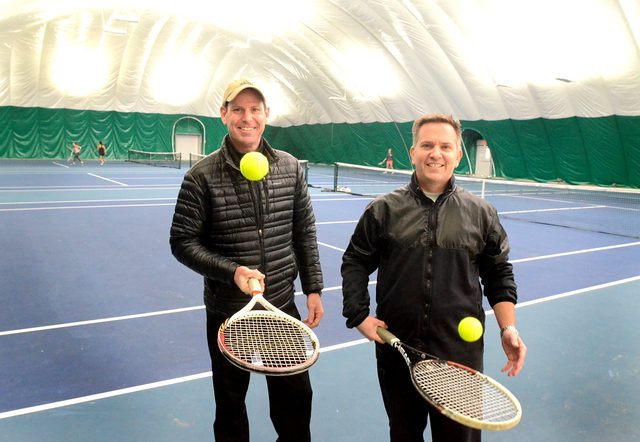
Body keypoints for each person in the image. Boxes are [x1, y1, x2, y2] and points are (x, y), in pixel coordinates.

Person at [341, 113, 527, 442]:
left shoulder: (480, 213)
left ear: (458, 154)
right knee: (404, 434)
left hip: (459, 357)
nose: (435, 153)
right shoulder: (383, 210)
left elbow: (498, 273)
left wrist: (508, 327)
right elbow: (355, 260)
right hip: (399, 350)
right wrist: (358, 314)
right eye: (427, 145)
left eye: (445, 146)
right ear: (412, 152)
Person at [170, 78, 324, 442]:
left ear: (266, 114)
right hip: (228, 310)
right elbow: (182, 241)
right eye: (237, 109)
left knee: (295, 400)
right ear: (223, 114)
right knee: (230, 403)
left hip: (281, 307)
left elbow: (304, 232)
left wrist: (313, 287)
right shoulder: (201, 176)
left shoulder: (289, 167)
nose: (247, 117)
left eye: (255, 109)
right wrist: (233, 272)